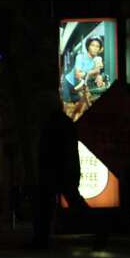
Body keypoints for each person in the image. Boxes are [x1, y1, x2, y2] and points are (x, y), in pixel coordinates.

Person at [32, 92, 88, 248]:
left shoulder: (51, 124)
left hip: (56, 171)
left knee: (46, 205)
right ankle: (98, 230)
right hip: (65, 170)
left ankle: (41, 239)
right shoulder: (64, 123)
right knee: (73, 201)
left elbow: (47, 151)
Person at [63, 36, 108, 121]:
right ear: (88, 46)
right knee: (66, 107)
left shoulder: (97, 59)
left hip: (80, 86)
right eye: (92, 45)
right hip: (69, 83)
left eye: (97, 46)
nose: (95, 48)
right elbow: (77, 74)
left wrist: (99, 78)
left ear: (100, 49)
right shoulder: (80, 57)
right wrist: (92, 72)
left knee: (80, 108)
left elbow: (96, 74)